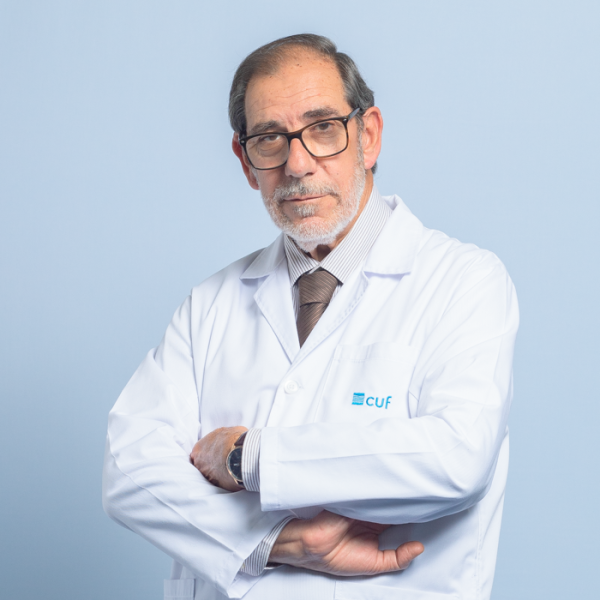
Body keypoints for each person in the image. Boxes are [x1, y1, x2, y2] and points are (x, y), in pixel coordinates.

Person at [103, 33, 519, 600]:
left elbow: (455, 457)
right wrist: (274, 542)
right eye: (269, 139)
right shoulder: (211, 304)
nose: (297, 164)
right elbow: (129, 470)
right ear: (246, 162)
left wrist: (248, 457)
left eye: (322, 127)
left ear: (367, 136)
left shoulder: (463, 281)